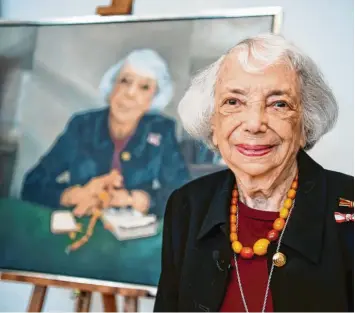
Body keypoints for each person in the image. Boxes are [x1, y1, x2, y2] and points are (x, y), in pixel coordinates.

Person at [154, 34, 354, 312]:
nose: (254, 123)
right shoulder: (187, 205)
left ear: (306, 123)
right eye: (233, 102)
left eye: (279, 103)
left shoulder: (349, 208)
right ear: (213, 122)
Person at [20, 49, 190, 218]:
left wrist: (134, 199)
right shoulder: (83, 125)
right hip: (82, 225)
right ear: (111, 87)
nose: (130, 94)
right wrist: (75, 195)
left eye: (144, 87)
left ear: (153, 99)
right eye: (125, 81)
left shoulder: (161, 130)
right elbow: (32, 184)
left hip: (132, 237)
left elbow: (184, 196)